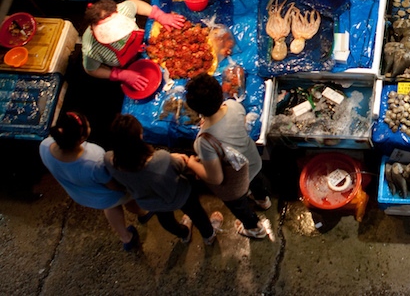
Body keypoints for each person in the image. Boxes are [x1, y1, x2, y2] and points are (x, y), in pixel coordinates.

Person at [39, 111, 150, 251]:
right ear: (82, 138)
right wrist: (127, 189)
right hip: (107, 194)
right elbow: (112, 185)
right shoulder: (93, 159)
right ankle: (143, 214)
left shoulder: (44, 146)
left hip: (80, 194)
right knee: (126, 200)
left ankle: (125, 237)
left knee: (109, 207)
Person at [104, 114, 222, 245]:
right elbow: (182, 166)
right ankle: (208, 235)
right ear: (139, 137)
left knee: (166, 221)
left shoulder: (109, 160)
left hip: (150, 202)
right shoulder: (161, 159)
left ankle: (184, 233)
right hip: (180, 195)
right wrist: (187, 160)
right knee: (197, 214)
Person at [184, 74, 273, 239]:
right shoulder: (233, 106)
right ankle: (263, 200)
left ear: (196, 111)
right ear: (220, 92)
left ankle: (255, 229)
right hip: (253, 161)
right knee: (257, 182)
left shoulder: (203, 141)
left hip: (237, 180)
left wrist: (192, 164)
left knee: (240, 207)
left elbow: (216, 178)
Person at [82, 0, 184, 91]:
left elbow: (135, 4)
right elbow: (92, 70)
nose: (117, 37)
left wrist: (159, 15)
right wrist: (119, 75)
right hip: (127, 66)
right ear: (92, 29)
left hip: (141, 47)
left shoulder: (123, 10)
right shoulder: (90, 48)